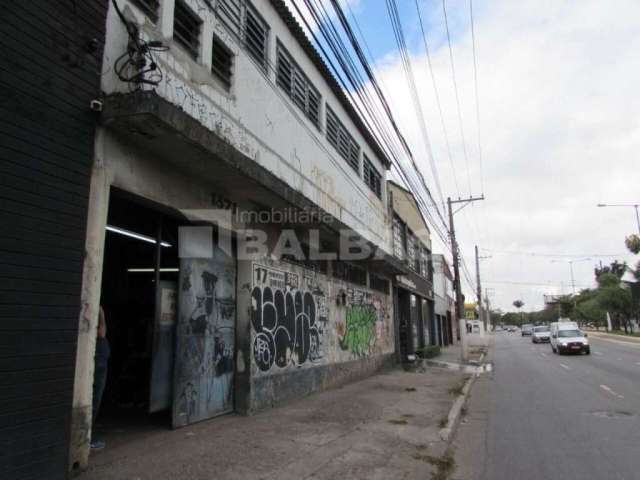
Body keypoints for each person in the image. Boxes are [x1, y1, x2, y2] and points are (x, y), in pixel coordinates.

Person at [91, 306, 110, 451]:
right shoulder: (97, 339)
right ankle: (88, 438)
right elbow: (102, 330)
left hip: (99, 363)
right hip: (97, 366)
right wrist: (102, 314)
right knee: (94, 400)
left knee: (95, 400)